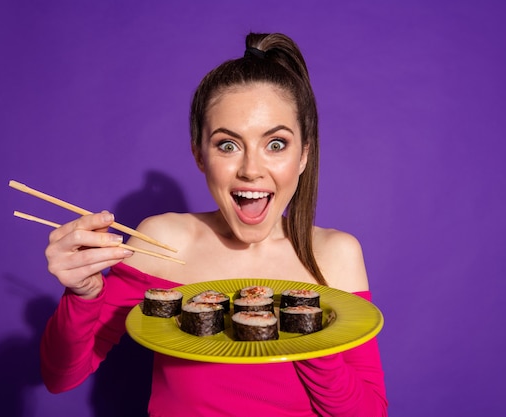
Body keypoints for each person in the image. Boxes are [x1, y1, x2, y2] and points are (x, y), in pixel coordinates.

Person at [41, 32, 388, 416]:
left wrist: (305, 330)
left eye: (276, 144)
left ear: (304, 155)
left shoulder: (336, 255)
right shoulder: (162, 241)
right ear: (199, 155)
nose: (251, 170)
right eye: (228, 145)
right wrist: (84, 295)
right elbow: (62, 377)